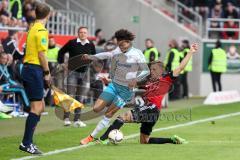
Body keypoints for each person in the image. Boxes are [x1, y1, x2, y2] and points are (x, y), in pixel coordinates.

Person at [97, 43, 199, 144]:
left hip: (152, 109)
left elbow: (181, 67)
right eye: (151, 69)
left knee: (122, 117)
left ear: (161, 70)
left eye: (154, 69)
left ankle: (102, 139)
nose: (152, 71)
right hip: (153, 112)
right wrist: (109, 81)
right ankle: (172, 140)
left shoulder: (167, 79)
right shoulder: (147, 81)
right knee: (145, 141)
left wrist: (190, 52)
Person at [80, 29, 150, 145]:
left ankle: (91, 137)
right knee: (96, 108)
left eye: (122, 45)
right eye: (119, 45)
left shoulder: (137, 54)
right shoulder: (118, 50)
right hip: (114, 85)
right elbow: (107, 54)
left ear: (128, 42)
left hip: (125, 91)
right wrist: (90, 57)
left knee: (109, 113)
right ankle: (103, 129)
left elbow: (145, 71)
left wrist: (135, 80)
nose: (121, 48)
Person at [19, 3, 51, 154]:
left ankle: (29, 140)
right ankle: (26, 143)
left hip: (29, 69)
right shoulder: (42, 30)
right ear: (48, 15)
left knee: (41, 107)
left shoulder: (32, 27)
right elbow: (42, 55)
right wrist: (47, 73)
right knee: (36, 108)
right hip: (34, 69)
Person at [58, 26, 96, 127]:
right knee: (70, 96)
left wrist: (89, 63)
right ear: (78, 33)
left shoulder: (91, 44)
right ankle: (66, 118)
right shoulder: (72, 42)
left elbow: (94, 56)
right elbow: (61, 51)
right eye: (81, 32)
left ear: (87, 34)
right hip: (72, 73)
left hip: (85, 74)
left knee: (80, 97)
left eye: (84, 32)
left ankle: (77, 120)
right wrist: (61, 63)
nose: (83, 34)